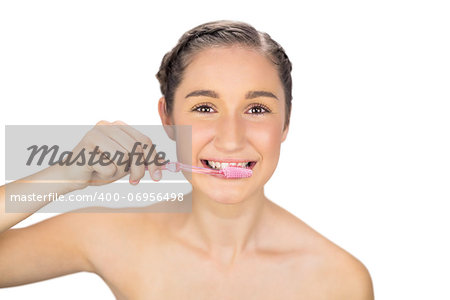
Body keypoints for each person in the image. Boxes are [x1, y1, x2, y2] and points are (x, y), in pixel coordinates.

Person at [0, 20, 374, 299]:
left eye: (257, 108)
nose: (231, 138)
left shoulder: (339, 280)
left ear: (286, 123)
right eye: (205, 107)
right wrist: (64, 175)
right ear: (168, 118)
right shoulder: (111, 234)